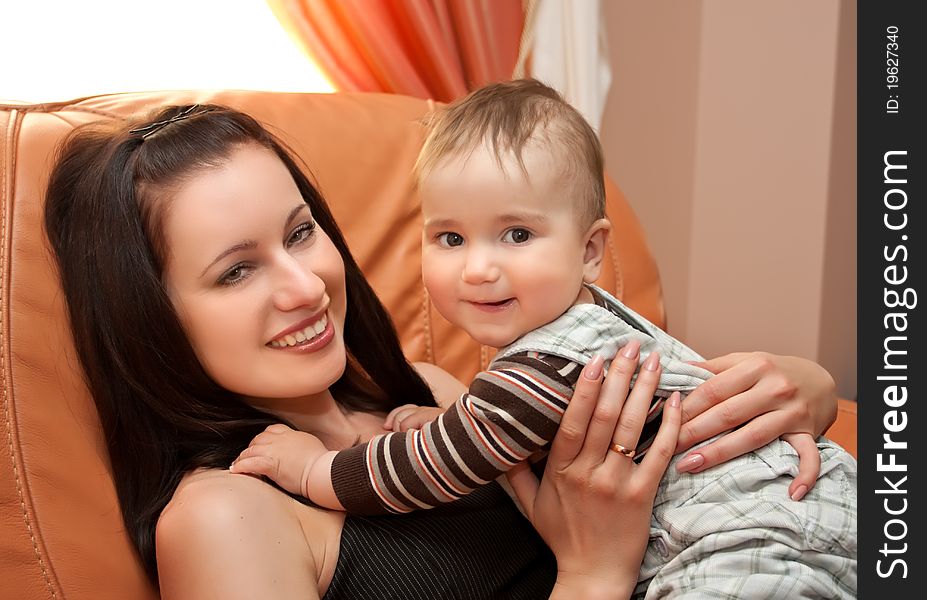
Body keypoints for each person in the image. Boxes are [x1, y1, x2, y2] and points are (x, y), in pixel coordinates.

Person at [44, 102, 846, 599]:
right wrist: (591, 576)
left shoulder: (428, 395)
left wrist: (796, 390)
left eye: (300, 234)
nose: (305, 286)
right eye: (237, 270)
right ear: (151, 319)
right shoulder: (222, 516)